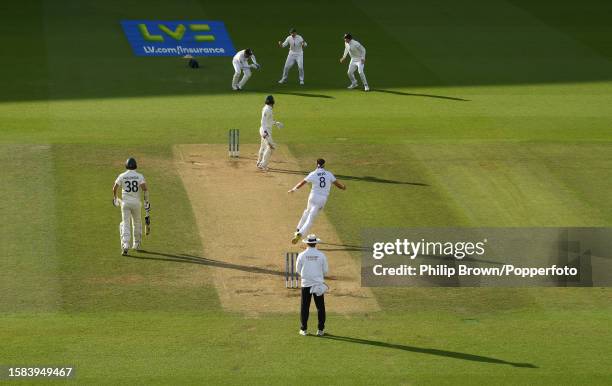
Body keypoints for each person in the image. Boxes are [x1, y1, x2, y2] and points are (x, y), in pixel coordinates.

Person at [288, 159, 346, 243]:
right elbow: (338, 185)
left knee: (306, 212)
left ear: (316, 164)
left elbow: (302, 183)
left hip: (312, 197)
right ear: (324, 165)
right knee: (310, 219)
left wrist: (293, 189)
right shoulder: (329, 174)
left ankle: (297, 230)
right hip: (322, 199)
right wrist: (343, 187)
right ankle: (300, 233)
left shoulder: (313, 174)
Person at [112, 157, 150, 256]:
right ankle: (136, 244)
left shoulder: (122, 176)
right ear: (135, 166)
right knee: (137, 223)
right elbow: (145, 189)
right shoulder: (139, 176)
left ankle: (125, 246)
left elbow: (114, 188)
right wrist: (146, 202)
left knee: (125, 223)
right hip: (136, 203)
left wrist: (115, 198)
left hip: (125, 204)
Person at [295, 234, 328, 336]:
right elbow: (325, 271)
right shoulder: (321, 255)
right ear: (315, 243)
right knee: (320, 307)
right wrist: (317, 277)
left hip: (306, 284)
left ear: (307, 243)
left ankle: (303, 329)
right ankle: (320, 330)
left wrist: (306, 276)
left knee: (304, 307)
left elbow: (298, 270)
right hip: (318, 284)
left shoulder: (301, 255)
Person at [256, 95, 284, 170]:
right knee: (272, 147)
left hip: (266, 130)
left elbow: (268, 120)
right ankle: (263, 164)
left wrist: (276, 123)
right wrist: (265, 132)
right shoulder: (267, 109)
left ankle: (259, 162)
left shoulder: (268, 108)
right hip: (265, 131)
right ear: (272, 102)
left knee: (263, 146)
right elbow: (263, 121)